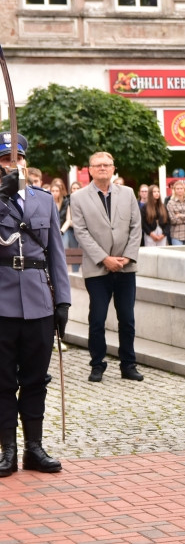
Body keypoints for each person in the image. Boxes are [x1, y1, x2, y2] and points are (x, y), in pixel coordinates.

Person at [0, 133, 70, 476]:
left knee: (35, 380)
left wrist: (64, 302)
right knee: (1, 381)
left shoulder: (43, 200)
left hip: (40, 302)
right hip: (2, 304)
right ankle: (7, 451)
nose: (13, 165)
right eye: (5, 160)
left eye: (18, 158)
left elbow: (56, 253)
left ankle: (33, 448)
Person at [71, 151, 144, 383]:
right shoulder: (79, 197)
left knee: (127, 319)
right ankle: (97, 364)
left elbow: (136, 227)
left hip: (125, 267)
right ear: (90, 170)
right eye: (98, 165)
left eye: (107, 165)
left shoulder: (128, 193)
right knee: (97, 319)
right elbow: (80, 232)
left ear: (114, 169)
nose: (103, 168)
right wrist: (104, 258)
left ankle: (128, 364)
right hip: (97, 269)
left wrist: (127, 257)